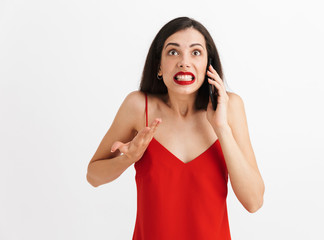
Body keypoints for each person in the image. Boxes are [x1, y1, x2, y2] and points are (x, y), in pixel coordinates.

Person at [86, 16, 265, 240]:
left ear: (208, 64)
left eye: (196, 52)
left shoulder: (231, 107)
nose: (184, 62)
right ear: (159, 65)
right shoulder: (138, 106)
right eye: (173, 52)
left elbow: (254, 202)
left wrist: (222, 128)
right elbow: (93, 176)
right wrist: (127, 158)